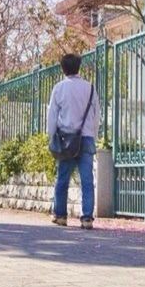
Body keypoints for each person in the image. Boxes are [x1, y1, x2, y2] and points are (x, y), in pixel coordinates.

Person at [46, 53, 101, 230]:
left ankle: (61, 215)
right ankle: (87, 218)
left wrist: (52, 136)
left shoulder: (59, 88)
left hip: (66, 140)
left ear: (63, 68)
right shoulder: (90, 88)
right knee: (87, 179)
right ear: (79, 67)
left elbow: (52, 115)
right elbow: (96, 115)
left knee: (62, 178)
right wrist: (93, 134)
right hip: (86, 138)